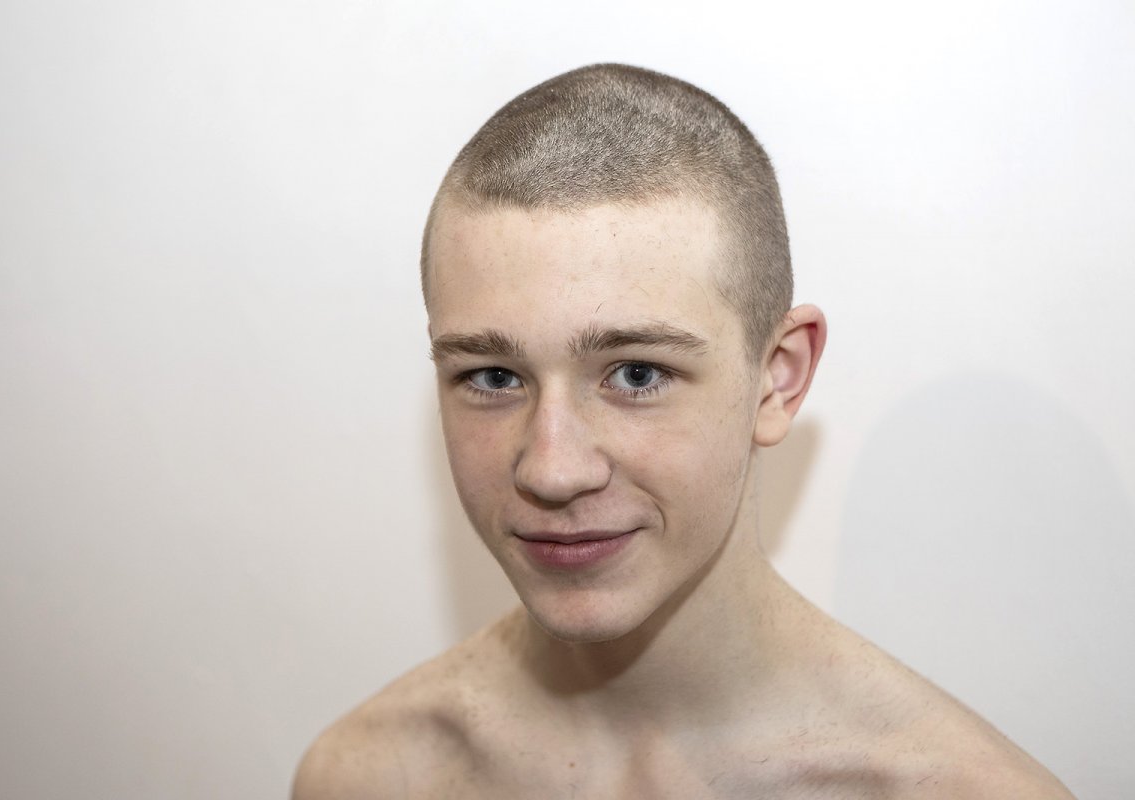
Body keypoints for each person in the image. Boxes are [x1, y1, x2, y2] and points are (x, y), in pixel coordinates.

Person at [293, 64, 1074, 799]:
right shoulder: (370, 776)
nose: (552, 470)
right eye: (494, 378)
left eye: (637, 375)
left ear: (778, 377)